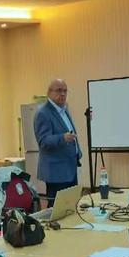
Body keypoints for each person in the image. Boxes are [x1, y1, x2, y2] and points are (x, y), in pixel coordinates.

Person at [34, 79, 81, 207]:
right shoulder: (43, 113)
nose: (63, 94)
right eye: (59, 90)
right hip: (56, 171)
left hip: (69, 168)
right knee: (57, 208)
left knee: (70, 206)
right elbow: (43, 141)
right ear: (49, 92)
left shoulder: (63, 110)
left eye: (65, 91)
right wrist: (63, 138)